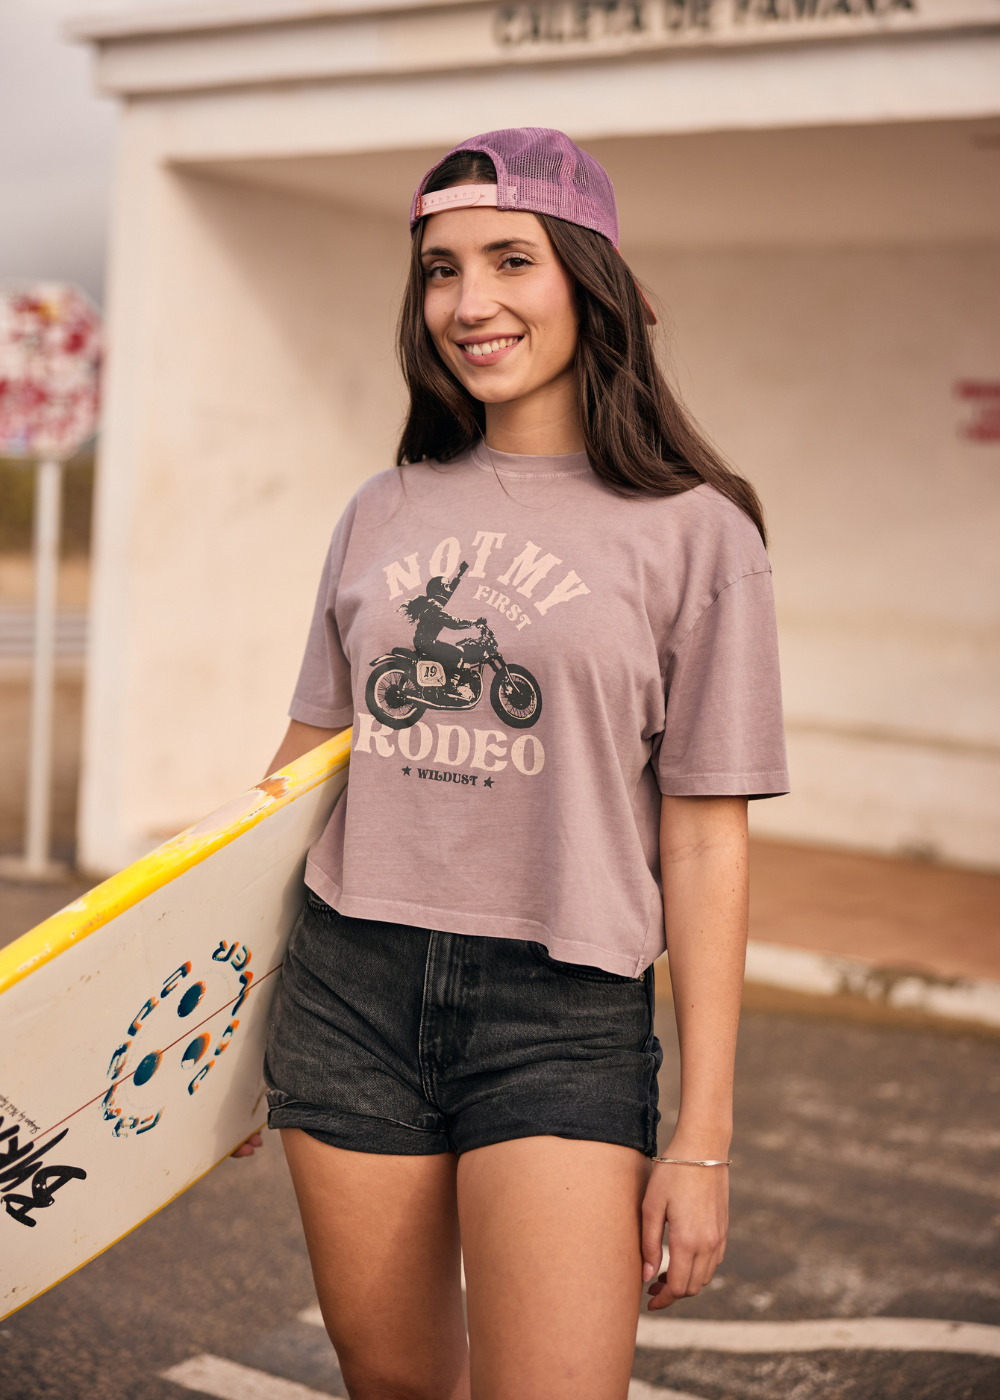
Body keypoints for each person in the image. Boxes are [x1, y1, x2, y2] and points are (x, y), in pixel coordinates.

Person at [238, 128, 789, 1400]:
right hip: (347, 987)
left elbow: (705, 833)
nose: (468, 302)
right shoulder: (383, 507)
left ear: (588, 280)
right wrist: (209, 1013)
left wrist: (702, 1138)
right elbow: (303, 767)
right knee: (394, 1383)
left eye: (508, 259)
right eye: (440, 269)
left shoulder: (699, 532)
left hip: (562, 1008)